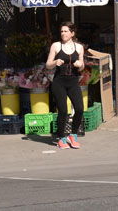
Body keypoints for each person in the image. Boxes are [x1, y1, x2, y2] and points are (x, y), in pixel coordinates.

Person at [45, 21, 85, 149]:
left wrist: (80, 65)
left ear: (72, 33)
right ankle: (61, 138)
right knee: (63, 111)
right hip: (59, 82)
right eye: (61, 31)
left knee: (79, 108)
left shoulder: (79, 47)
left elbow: (82, 66)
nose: (63, 33)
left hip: (73, 81)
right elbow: (48, 64)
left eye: (66, 31)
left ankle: (73, 135)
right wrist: (55, 61)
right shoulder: (56, 46)